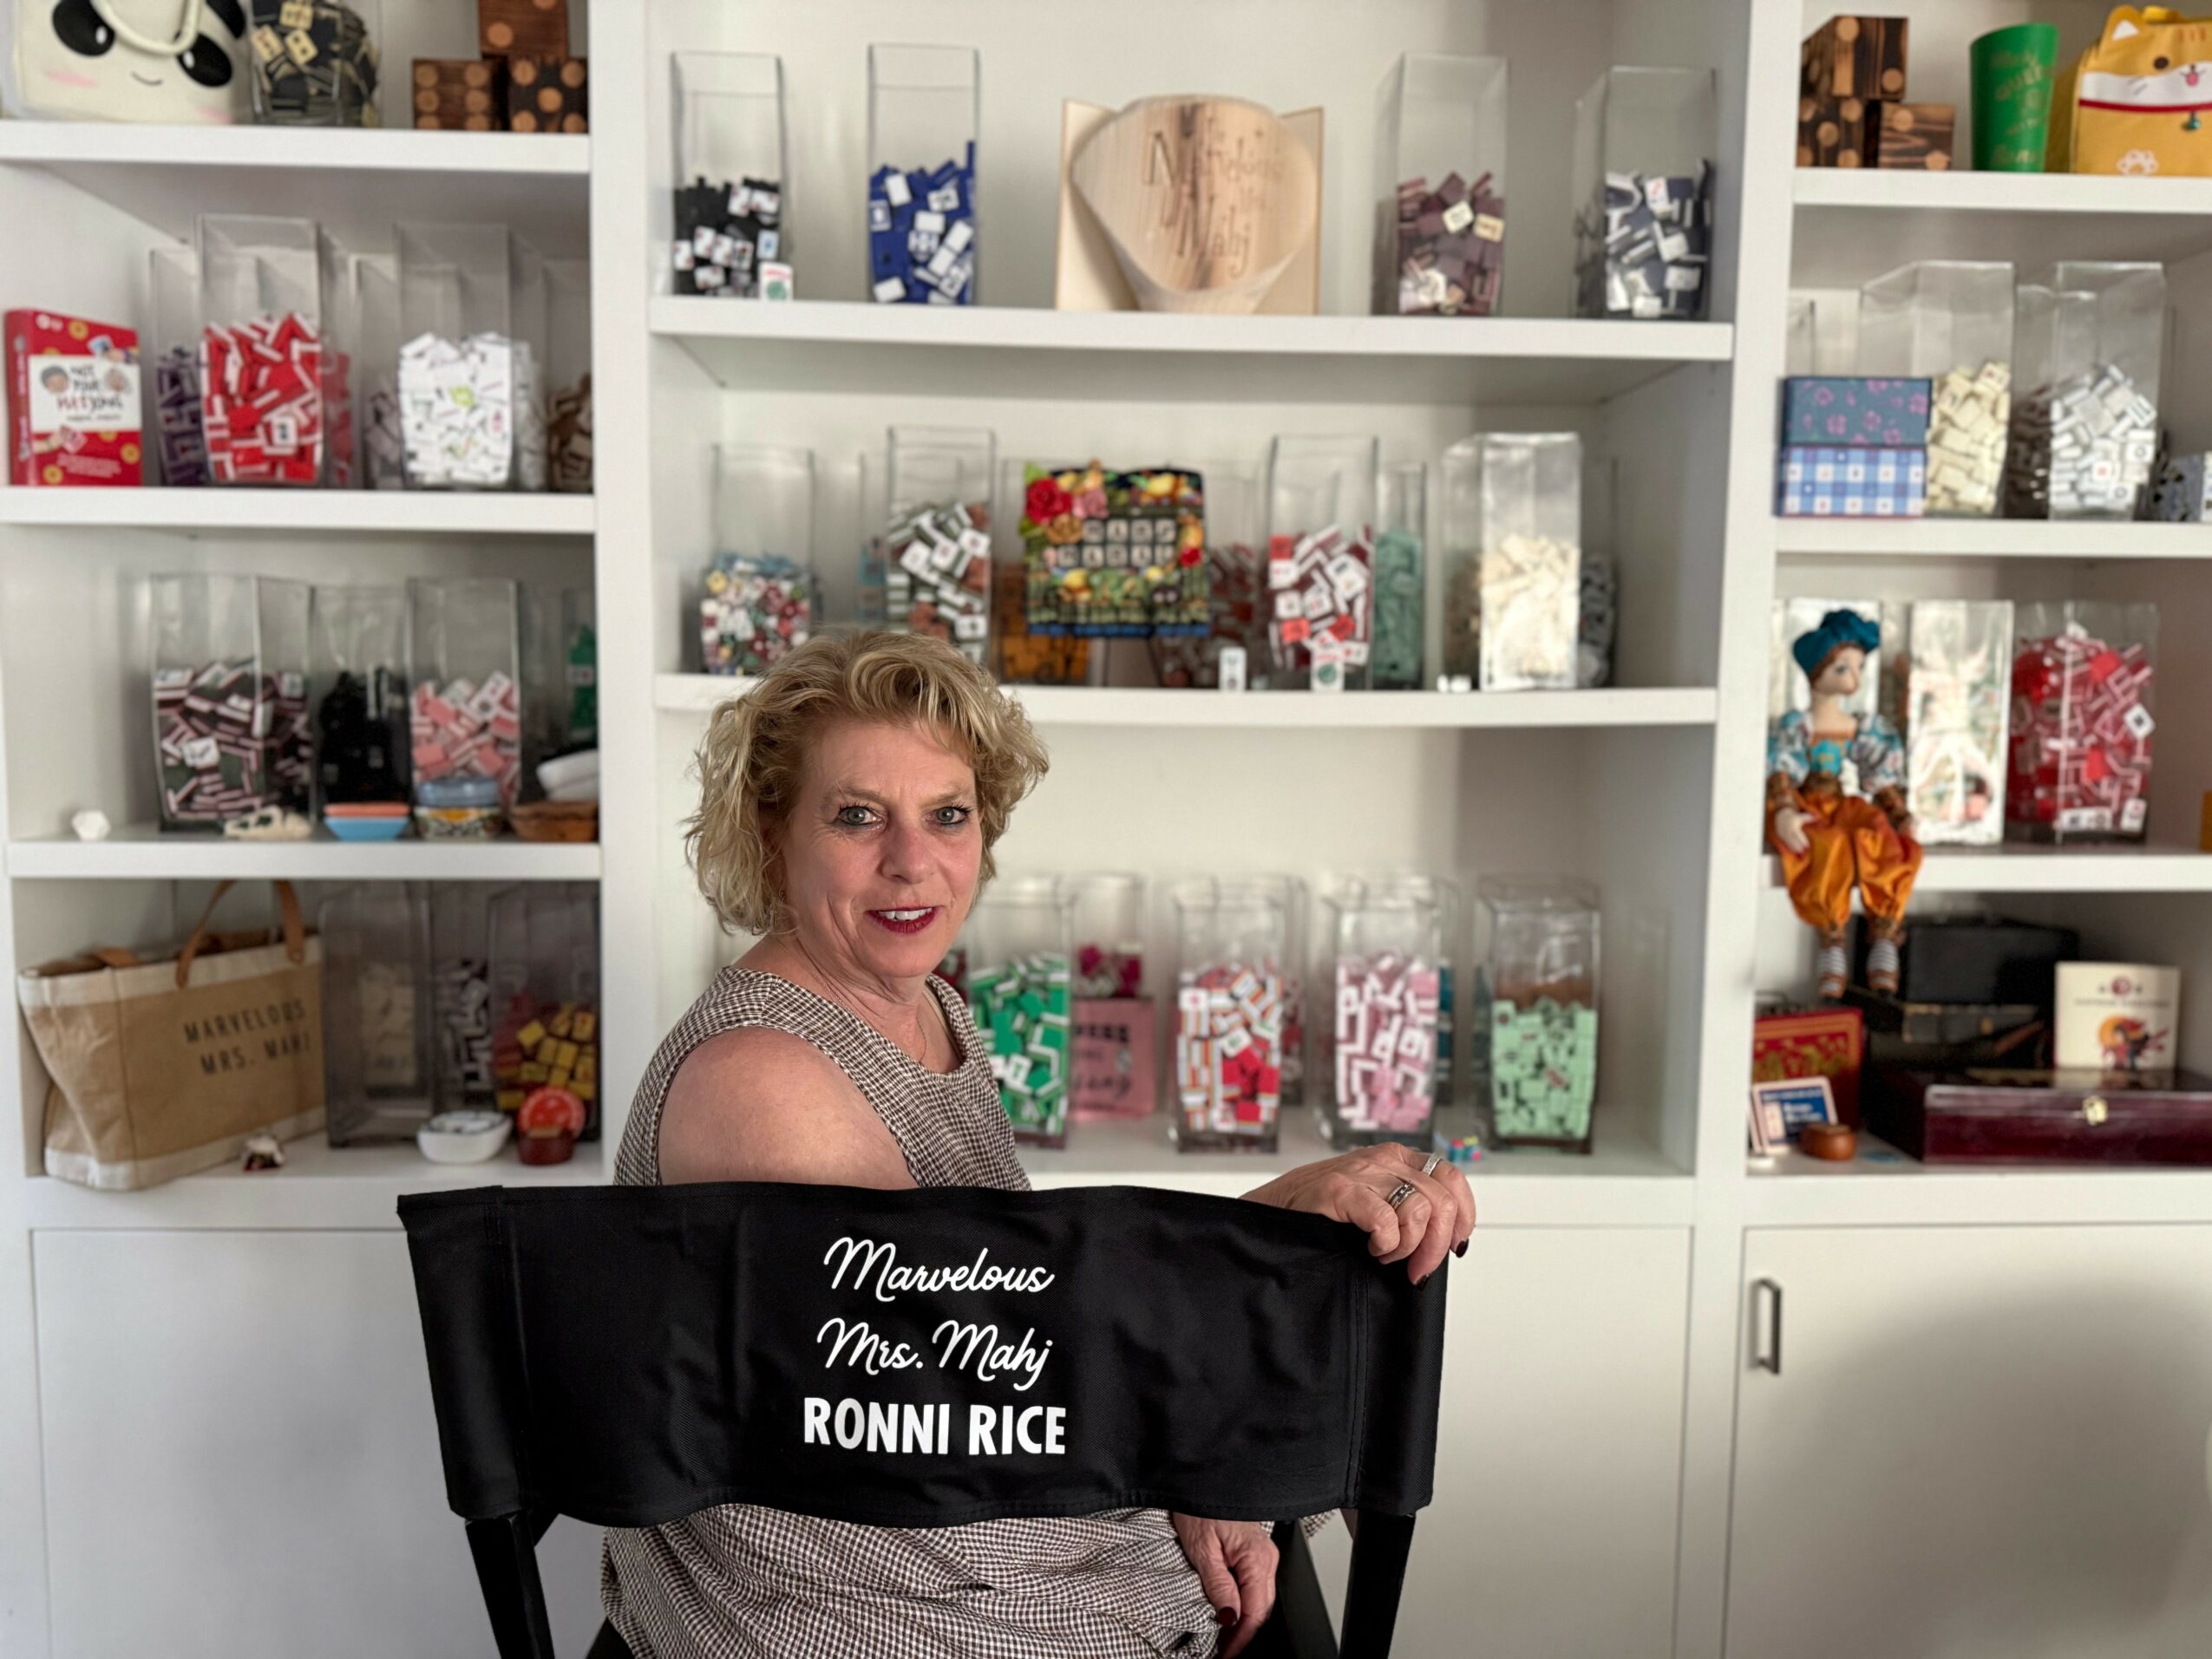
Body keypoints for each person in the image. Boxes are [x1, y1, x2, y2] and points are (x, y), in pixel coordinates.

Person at [602, 630, 1474, 1659]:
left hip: (964, 1499)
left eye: (948, 814)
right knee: (1297, 1436)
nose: (910, 861)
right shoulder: (767, 1076)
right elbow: (973, 1401)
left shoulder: (927, 1005)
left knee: (1328, 1345)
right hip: (862, 1596)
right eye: (856, 815)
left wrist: (1282, 1212)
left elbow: (1020, 1297)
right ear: (771, 828)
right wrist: (1197, 1454)